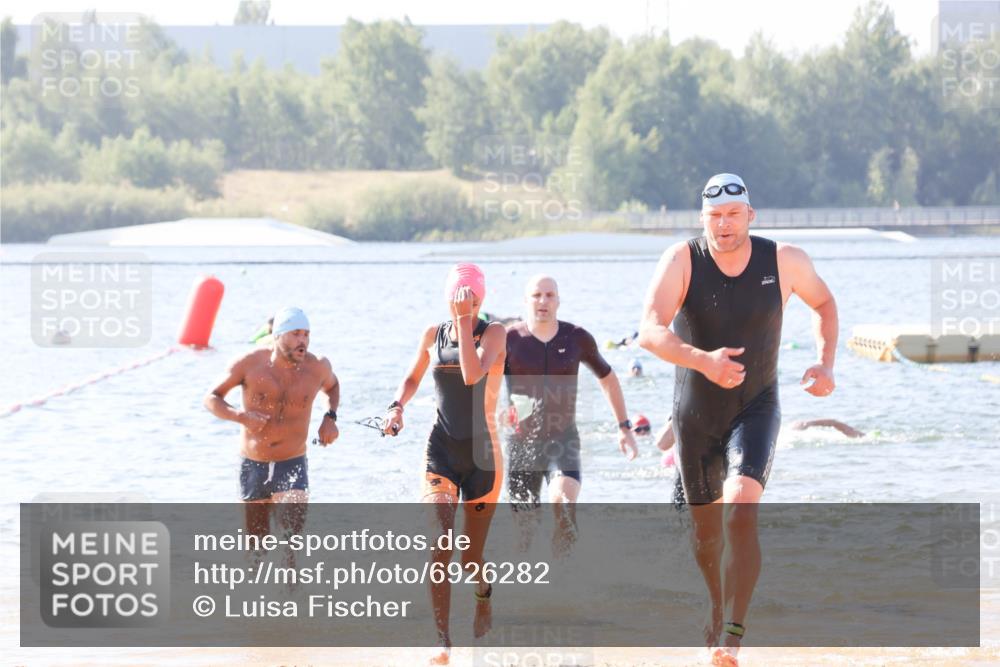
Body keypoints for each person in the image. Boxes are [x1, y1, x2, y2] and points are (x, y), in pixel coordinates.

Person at [638, 173, 838, 666]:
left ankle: (732, 634)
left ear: (751, 214)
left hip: (757, 405)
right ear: (701, 218)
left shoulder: (785, 260)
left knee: (741, 508)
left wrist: (825, 361)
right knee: (706, 538)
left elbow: (825, 304)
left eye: (732, 215)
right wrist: (703, 360)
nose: (723, 226)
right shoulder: (682, 260)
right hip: (695, 415)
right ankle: (714, 603)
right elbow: (648, 331)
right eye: (713, 217)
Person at [382, 264, 505, 666]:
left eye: (470, 297)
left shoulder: (494, 333)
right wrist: (397, 407)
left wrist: (468, 321)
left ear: (479, 299)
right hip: (441, 450)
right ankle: (442, 640)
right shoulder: (432, 335)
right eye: (458, 296)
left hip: (484, 456)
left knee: (470, 557)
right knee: (440, 544)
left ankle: (483, 594)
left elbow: (471, 376)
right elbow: (413, 377)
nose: (463, 303)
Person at [505, 274, 638, 557]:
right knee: (524, 533)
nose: (543, 301)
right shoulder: (509, 339)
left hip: (562, 441)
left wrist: (624, 427)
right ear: (525, 301)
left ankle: (565, 583)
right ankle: (525, 590)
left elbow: (609, 379)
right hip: (520, 445)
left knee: (563, 504)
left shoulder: (576, 337)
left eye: (550, 295)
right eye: (537, 295)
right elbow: (480, 381)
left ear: (558, 301)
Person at [204, 307, 339, 550]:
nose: (303, 341)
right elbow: (212, 398)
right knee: (257, 547)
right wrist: (241, 416)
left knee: (291, 544)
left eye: (307, 334)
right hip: (253, 464)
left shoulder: (317, 366)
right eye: (296, 334)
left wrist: (330, 417)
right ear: (277, 335)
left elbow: (333, 386)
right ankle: (257, 586)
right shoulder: (249, 363)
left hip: (292, 462)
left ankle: (291, 587)